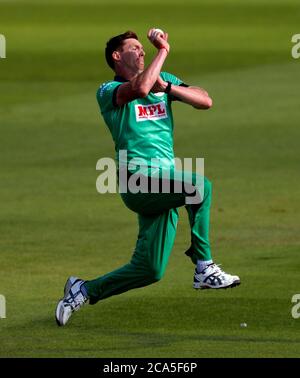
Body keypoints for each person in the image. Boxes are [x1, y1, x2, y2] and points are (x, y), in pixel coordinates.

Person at [55, 28, 240, 326]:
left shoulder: (161, 83)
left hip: (165, 182)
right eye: (135, 48)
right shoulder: (107, 91)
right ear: (117, 56)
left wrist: (168, 88)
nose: (142, 51)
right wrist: (163, 51)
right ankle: (204, 267)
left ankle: (83, 289)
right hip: (137, 180)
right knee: (198, 186)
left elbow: (205, 100)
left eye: (145, 49)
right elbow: (140, 89)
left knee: (149, 269)